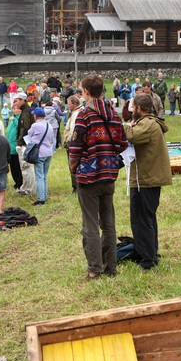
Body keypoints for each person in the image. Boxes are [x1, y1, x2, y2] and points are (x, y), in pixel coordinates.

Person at [68, 75, 126, 280]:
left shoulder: (85, 115)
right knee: (108, 224)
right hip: (109, 173)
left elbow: (75, 147)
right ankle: (111, 267)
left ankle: (94, 269)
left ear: (86, 91)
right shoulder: (114, 114)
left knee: (90, 225)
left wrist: (74, 168)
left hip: (89, 175)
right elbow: (123, 143)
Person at [123, 93, 172, 270]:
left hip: (146, 179)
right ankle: (150, 252)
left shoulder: (148, 123)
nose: (131, 111)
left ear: (139, 108)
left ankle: (147, 259)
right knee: (147, 218)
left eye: (132, 107)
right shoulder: (149, 122)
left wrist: (119, 125)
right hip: (147, 177)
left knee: (141, 219)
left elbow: (132, 135)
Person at [27, 107, 56, 206]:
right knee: (44, 176)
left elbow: (29, 135)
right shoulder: (49, 125)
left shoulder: (35, 125)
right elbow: (51, 139)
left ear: (35, 116)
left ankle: (41, 198)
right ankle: (45, 195)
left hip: (39, 153)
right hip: (48, 152)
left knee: (39, 176)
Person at [13, 92, 35, 195]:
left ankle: (29, 189)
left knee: (26, 167)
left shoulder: (26, 112)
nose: (15, 103)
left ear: (23, 100)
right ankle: (25, 187)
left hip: (25, 144)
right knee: (24, 167)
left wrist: (20, 142)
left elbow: (25, 129)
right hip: (26, 142)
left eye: (17, 100)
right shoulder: (26, 111)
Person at [6, 105, 23, 191]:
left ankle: (20, 183)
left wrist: (15, 119)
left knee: (17, 167)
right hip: (10, 146)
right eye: (14, 108)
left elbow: (19, 126)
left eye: (17, 108)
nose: (15, 110)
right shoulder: (12, 119)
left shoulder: (19, 119)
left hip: (16, 147)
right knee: (12, 167)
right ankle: (16, 182)